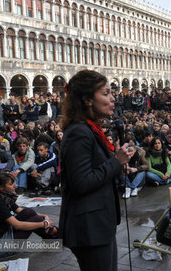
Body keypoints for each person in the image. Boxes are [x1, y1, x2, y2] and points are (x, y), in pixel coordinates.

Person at [59, 70, 134, 271]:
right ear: (87, 99)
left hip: (99, 224)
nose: (113, 98)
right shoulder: (79, 132)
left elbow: (95, 169)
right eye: (106, 93)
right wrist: (116, 162)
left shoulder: (90, 129)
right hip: (89, 228)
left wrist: (116, 163)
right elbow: (81, 183)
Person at [0, 172, 58, 259]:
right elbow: (17, 225)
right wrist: (44, 224)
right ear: (1, 188)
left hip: (4, 233)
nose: (15, 186)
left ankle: (51, 235)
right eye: (11, 184)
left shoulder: (4, 197)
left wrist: (44, 216)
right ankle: (54, 233)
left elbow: (21, 210)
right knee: (36, 219)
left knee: (29, 212)